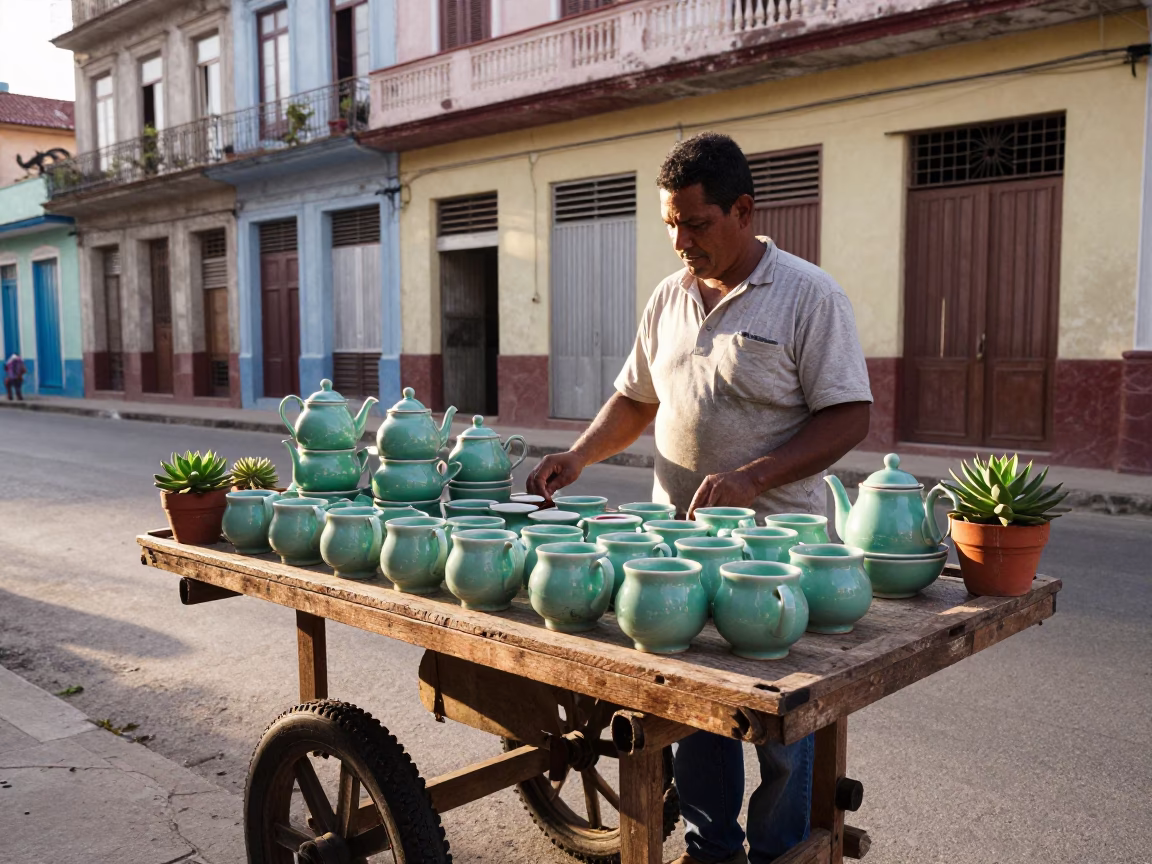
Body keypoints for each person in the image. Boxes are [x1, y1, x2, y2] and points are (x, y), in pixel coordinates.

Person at [527, 132, 873, 864]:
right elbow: (636, 397)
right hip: (680, 550)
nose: (681, 241)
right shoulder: (668, 297)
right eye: (671, 227)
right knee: (695, 714)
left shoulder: (809, 295)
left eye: (696, 223)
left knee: (783, 727)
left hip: (777, 557)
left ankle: (781, 851)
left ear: (742, 210)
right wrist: (579, 455)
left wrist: (753, 477)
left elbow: (849, 414)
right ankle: (711, 848)